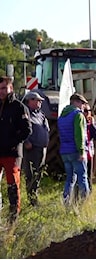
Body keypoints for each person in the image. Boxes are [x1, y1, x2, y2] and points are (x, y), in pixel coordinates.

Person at [0, 76, 32, 222]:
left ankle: (13, 217)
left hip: (12, 153)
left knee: (12, 184)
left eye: (3, 88)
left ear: (10, 88)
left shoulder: (19, 107)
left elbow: (27, 130)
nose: (1, 92)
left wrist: (13, 142)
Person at [58, 93, 90, 205]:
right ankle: (85, 203)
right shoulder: (78, 115)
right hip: (76, 151)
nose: (83, 106)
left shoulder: (62, 116)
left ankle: (66, 202)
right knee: (83, 177)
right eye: (82, 103)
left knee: (70, 179)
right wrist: (82, 151)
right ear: (75, 102)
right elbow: (79, 135)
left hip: (64, 151)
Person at [22, 91, 49, 207]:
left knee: (38, 173)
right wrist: (26, 142)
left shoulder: (41, 114)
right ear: (30, 101)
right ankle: (31, 199)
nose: (40, 103)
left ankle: (35, 196)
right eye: (37, 100)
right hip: (31, 149)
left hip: (41, 148)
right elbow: (21, 129)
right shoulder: (25, 112)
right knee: (31, 173)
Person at [82, 104, 96, 189]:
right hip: (80, 152)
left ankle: (88, 193)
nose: (87, 113)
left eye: (89, 111)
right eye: (85, 111)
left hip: (89, 153)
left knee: (89, 174)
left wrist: (93, 124)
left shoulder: (90, 123)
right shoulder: (77, 121)